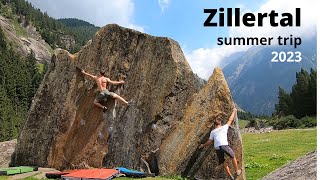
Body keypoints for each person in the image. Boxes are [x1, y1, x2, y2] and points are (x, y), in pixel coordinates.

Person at [199, 108, 241, 179]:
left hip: (217, 148)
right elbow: (230, 120)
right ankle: (237, 171)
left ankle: (230, 175)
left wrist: (202, 145)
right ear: (220, 123)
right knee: (233, 156)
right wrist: (234, 111)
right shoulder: (224, 127)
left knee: (223, 161)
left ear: (214, 124)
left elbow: (209, 142)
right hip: (223, 145)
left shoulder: (213, 132)